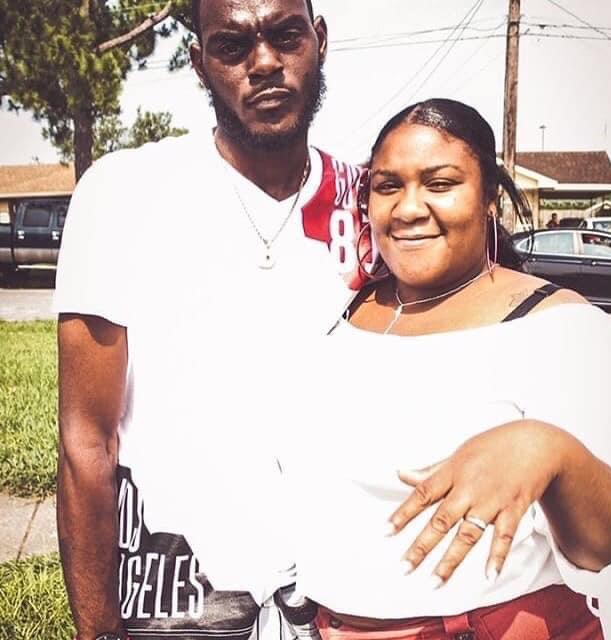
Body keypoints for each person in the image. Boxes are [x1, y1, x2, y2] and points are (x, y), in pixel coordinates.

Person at [54, 1, 370, 639]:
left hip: (344, 603)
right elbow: (87, 438)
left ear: (320, 40)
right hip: (175, 604)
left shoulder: (369, 203)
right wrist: (98, 631)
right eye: (233, 46)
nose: (265, 63)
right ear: (199, 64)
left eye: (286, 35)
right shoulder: (123, 194)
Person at [278, 99, 611, 639]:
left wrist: (551, 452)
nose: (409, 208)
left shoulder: (561, 329)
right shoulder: (339, 314)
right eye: (388, 186)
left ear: (489, 197)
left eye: (440, 184)